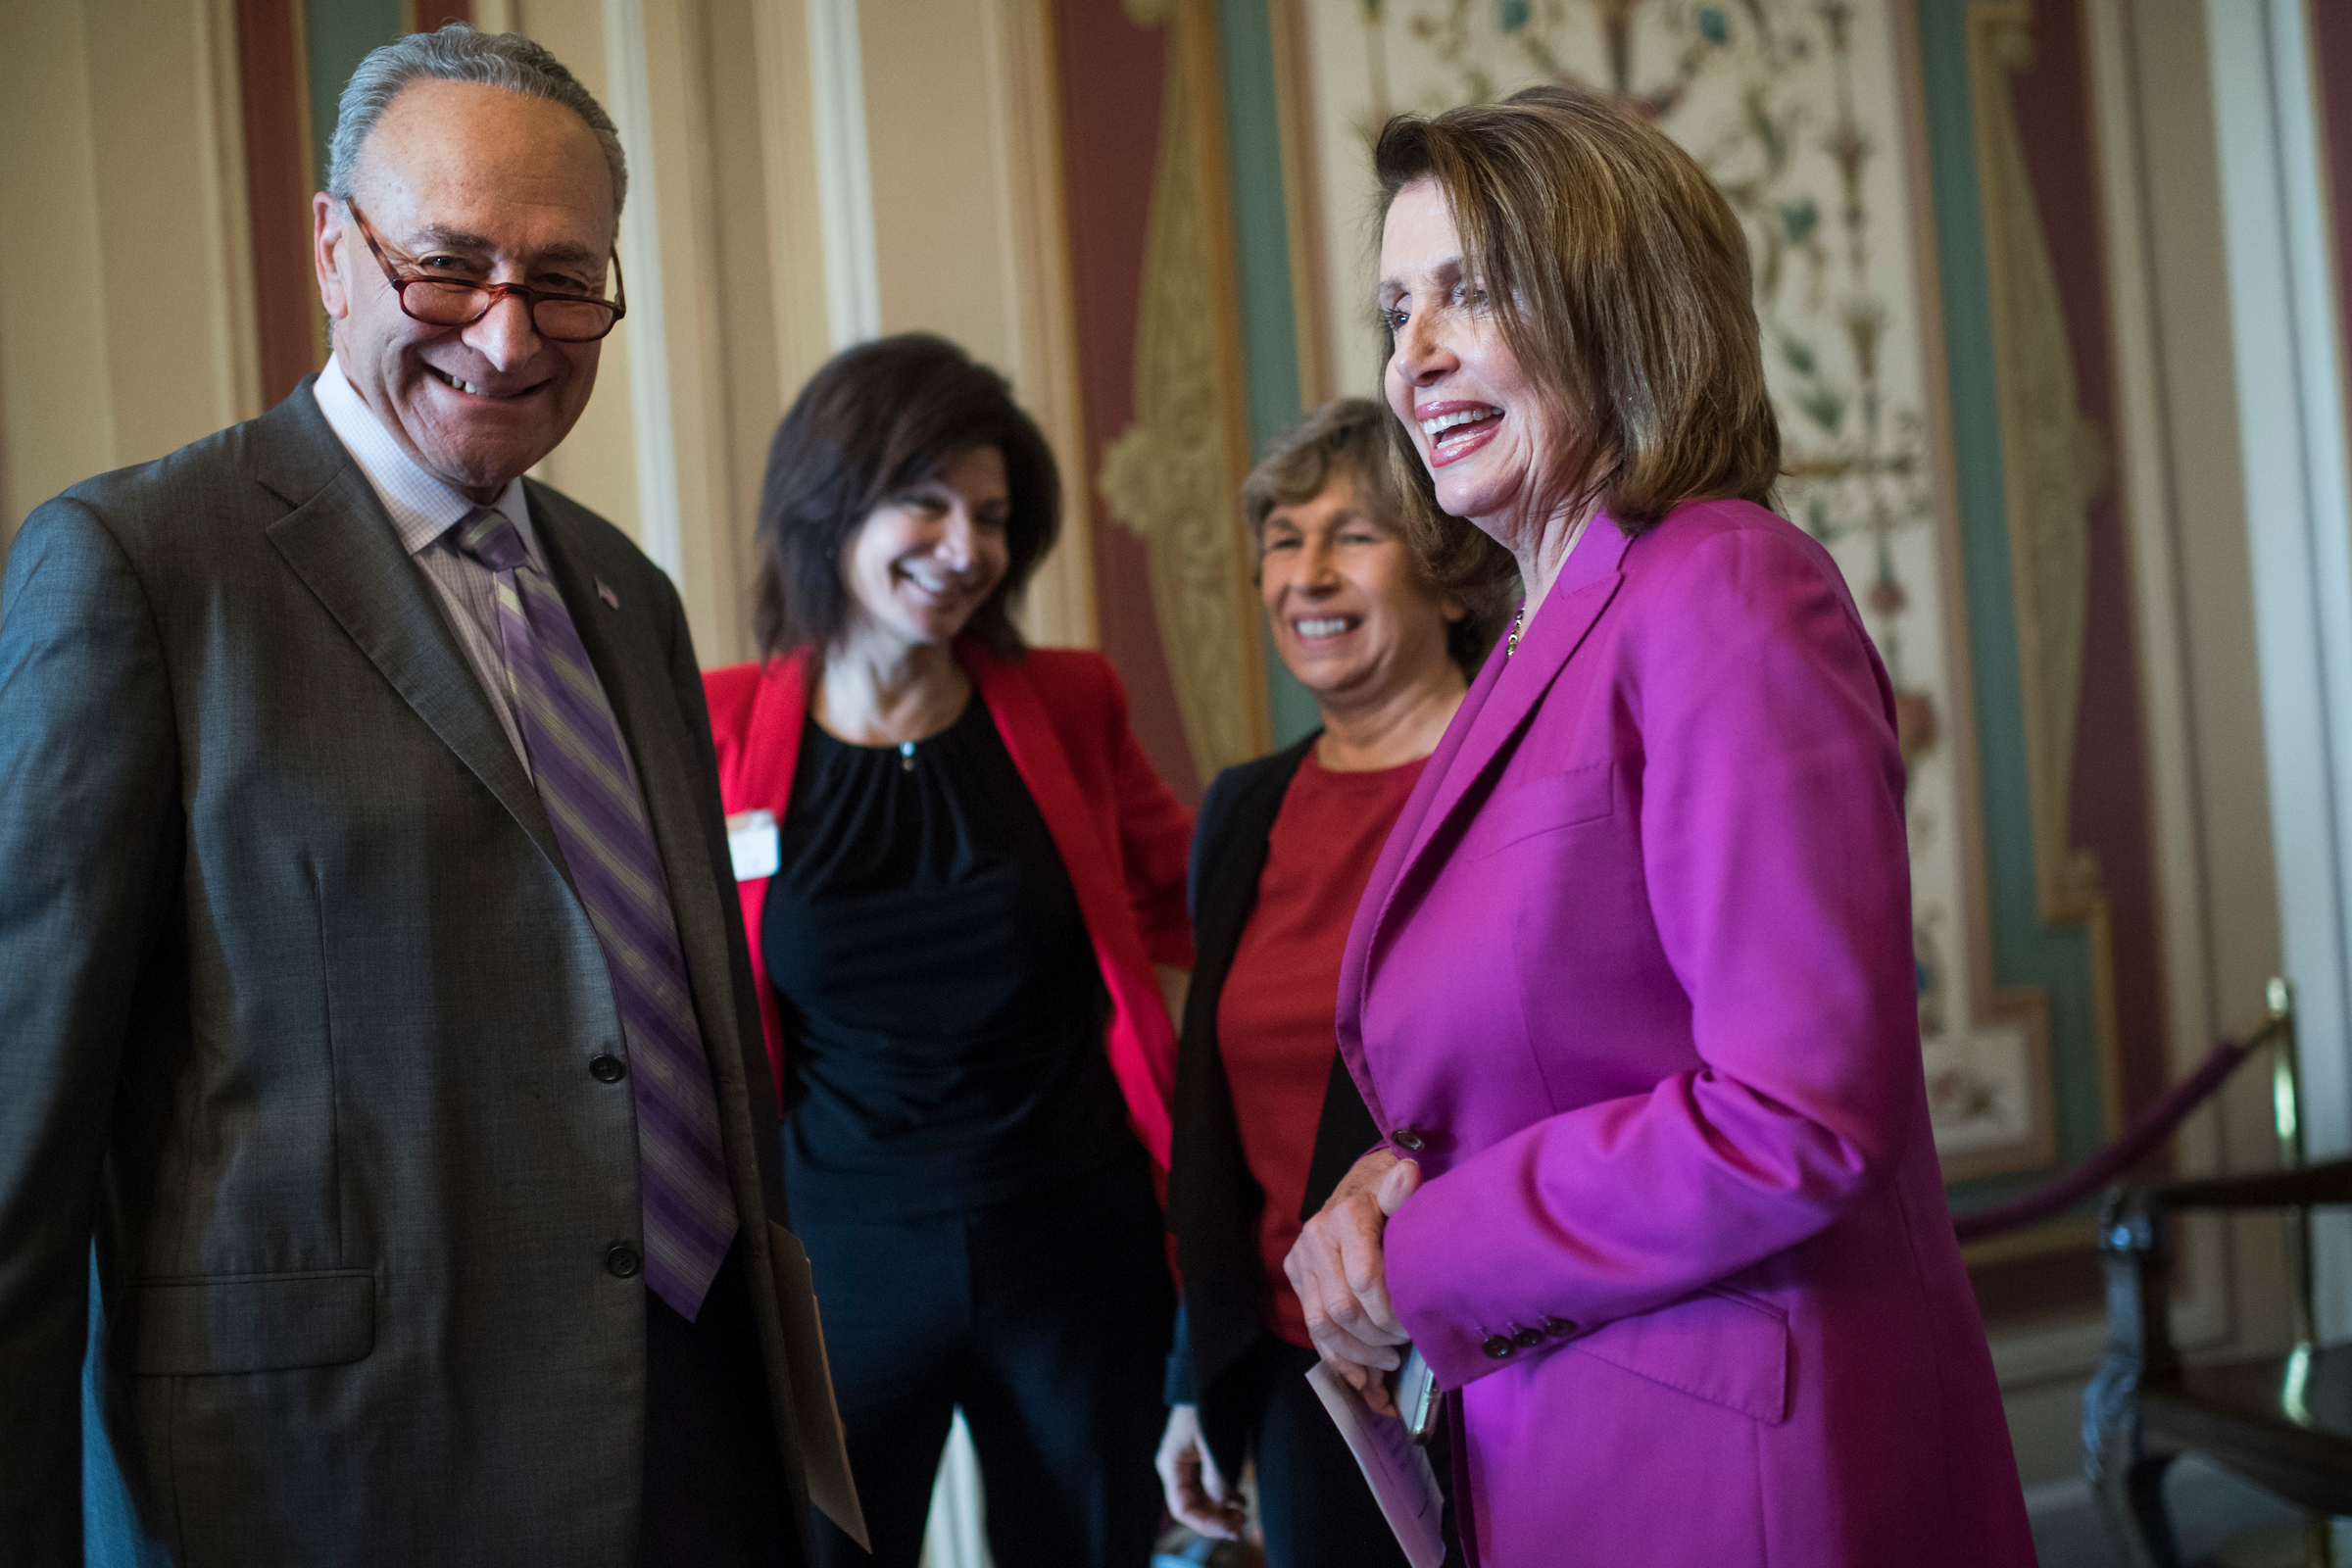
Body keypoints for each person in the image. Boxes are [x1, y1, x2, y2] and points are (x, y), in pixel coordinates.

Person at [0, 26, 813, 1568]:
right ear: (333, 249)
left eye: (565, 282)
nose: (508, 339)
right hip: (329, 1487)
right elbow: (17, 1144)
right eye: (448, 266)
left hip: (698, 1443)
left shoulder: (628, 597)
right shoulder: (141, 570)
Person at [1284, 86, 2036, 1567]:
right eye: (1395, 310)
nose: (1413, 356)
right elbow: (1556, 1055)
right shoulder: (1531, 636)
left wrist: (1428, 1248)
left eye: (1470, 294)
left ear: (1613, 305)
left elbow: (1794, 1113)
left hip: (1742, 1476)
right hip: (1567, 1443)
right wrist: (1386, 1190)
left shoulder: (1728, 587)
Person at [703, 332, 1192, 1568]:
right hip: (840, 1269)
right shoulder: (716, 726)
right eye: (924, 503)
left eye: (990, 514)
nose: (965, 546)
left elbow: (1202, 902)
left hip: (1078, 1245)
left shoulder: (1071, 701)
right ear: (831, 503)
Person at [1152, 399, 1501, 1565]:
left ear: (1451, 578)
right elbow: (1211, 1119)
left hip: (1492, 1350)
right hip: (1306, 1380)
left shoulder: (1511, 773)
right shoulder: (1243, 808)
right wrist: (1195, 1375)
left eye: (1353, 534)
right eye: (1282, 539)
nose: (1306, 571)